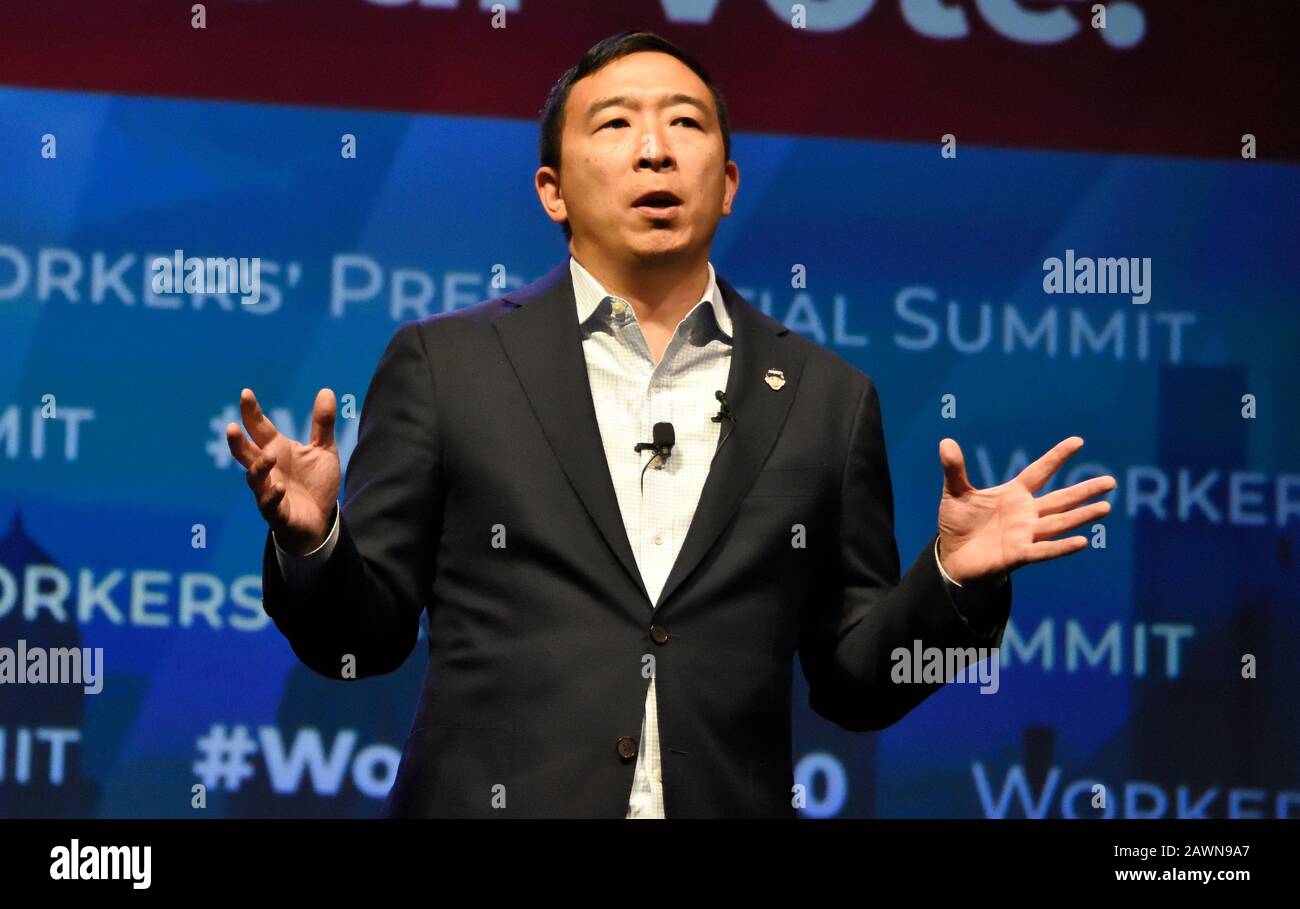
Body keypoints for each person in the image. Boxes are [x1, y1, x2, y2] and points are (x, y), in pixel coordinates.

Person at [225, 31, 1116, 818]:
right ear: (552, 190)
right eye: (614, 125)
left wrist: (952, 582)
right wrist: (315, 546)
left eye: (686, 125)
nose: (655, 150)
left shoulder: (826, 398)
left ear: (727, 184)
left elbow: (854, 683)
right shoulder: (447, 365)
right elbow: (363, 641)